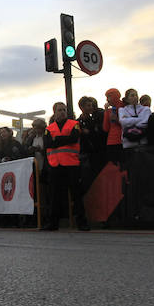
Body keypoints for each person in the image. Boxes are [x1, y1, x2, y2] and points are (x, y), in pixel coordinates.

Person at [43, 102, 88, 231]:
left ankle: (82, 222)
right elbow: (47, 144)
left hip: (71, 164)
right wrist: (63, 139)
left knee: (76, 195)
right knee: (54, 196)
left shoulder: (74, 124)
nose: (62, 112)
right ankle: (53, 223)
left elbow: (73, 139)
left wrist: (56, 140)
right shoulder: (49, 128)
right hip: (55, 165)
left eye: (64, 110)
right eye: (59, 110)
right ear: (54, 112)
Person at [77, 96, 107, 194]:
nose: (91, 107)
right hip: (84, 155)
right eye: (88, 105)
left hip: (96, 154)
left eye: (91, 105)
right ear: (82, 107)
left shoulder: (95, 120)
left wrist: (89, 132)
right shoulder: (77, 122)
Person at [102, 88, 124, 166]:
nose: (107, 99)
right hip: (112, 143)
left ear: (115, 96)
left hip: (121, 141)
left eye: (109, 96)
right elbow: (105, 128)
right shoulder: (109, 111)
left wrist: (117, 120)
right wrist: (106, 111)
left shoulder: (124, 107)